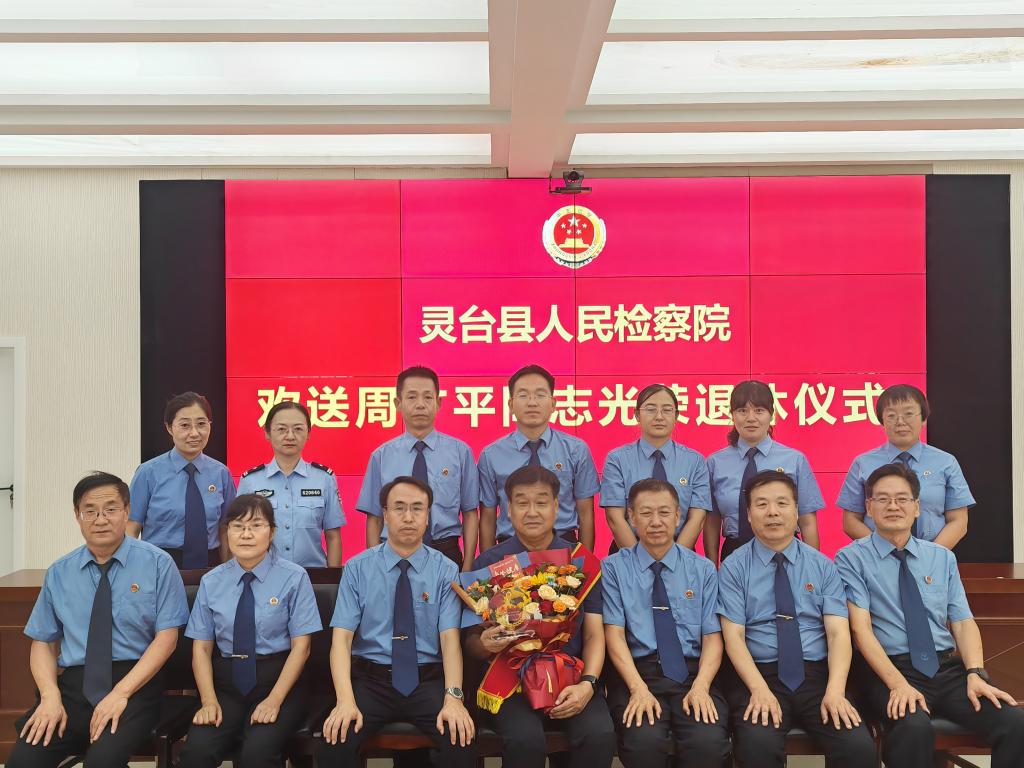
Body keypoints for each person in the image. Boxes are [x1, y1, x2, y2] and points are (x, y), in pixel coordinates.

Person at [836, 462, 1024, 768]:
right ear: (869, 507)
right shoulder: (851, 558)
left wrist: (976, 673)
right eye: (883, 499)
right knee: (913, 727)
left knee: (1015, 723)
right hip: (889, 670)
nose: (893, 506)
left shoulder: (941, 557)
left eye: (902, 498)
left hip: (945, 669)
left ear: (917, 507)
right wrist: (897, 684)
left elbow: (962, 622)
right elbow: (861, 630)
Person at [8, 472, 188, 768]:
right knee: (23, 761)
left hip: (135, 685)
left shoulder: (157, 563)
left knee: (102, 762)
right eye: (90, 511)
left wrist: (121, 693)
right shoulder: (60, 572)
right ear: (77, 516)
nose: (100, 519)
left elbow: (167, 638)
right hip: (74, 687)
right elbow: (43, 641)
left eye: (110, 509)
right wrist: (50, 696)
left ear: (127, 511)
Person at [717, 470, 875, 767]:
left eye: (782, 503)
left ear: (796, 510)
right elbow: (733, 637)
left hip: (817, 676)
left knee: (858, 748)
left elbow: (838, 634)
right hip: (758, 675)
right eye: (762, 504)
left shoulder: (822, 565)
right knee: (757, 748)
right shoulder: (733, 568)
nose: (772, 512)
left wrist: (836, 690)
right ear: (748, 514)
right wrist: (758, 690)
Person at [317, 476, 477, 768]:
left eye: (417, 508)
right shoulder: (357, 568)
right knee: (334, 742)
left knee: (460, 741)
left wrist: (454, 697)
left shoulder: (445, 569)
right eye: (399, 508)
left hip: (427, 680)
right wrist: (345, 700)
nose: (408, 517)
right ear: (385, 514)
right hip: (371, 681)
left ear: (428, 516)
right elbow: (341, 640)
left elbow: (449, 641)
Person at [465, 465, 615, 768]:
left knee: (598, 734)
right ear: (509, 509)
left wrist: (587, 684)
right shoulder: (488, 563)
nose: (532, 511)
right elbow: (470, 642)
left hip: (571, 677)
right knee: (525, 741)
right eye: (522, 503)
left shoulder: (582, 561)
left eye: (541, 502)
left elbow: (594, 634)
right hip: (511, 682)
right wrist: (484, 644)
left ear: (557, 506)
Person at [178, 494, 322, 768]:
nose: (246, 534)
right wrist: (208, 701)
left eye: (256, 526)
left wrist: (274, 700)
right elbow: (202, 649)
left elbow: (302, 648)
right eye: (238, 526)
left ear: (272, 532)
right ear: (227, 532)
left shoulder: (294, 577)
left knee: (257, 756)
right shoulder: (211, 581)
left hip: (279, 681)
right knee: (196, 753)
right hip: (226, 686)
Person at [602, 478, 730, 768]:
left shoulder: (703, 569)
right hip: (638, 673)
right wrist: (637, 688)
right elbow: (614, 635)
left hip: (693, 673)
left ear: (678, 515)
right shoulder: (613, 568)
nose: (656, 522)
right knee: (643, 745)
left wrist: (702, 686)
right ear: (631, 517)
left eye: (664, 512)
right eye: (646, 513)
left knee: (708, 745)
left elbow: (712, 636)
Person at [358, 366, 479, 570]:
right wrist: (375, 567)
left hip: (445, 551)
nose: (420, 404)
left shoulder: (460, 452)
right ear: (398, 404)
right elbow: (374, 518)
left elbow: (470, 513)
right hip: (394, 553)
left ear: (438, 403)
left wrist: (467, 565)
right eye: (412, 397)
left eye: (428, 397)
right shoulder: (381, 456)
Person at [478, 365, 600, 552]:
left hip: (562, 547)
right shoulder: (491, 455)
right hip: (510, 550)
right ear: (510, 405)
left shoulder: (576, 450)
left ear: (553, 404)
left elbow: (586, 514)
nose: (532, 402)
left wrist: (583, 561)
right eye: (523, 395)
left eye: (540, 395)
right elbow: (487, 518)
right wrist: (488, 563)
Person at [838, 383, 975, 548]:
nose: (900, 422)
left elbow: (958, 520)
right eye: (891, 415)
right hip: (877, 557)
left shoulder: (946, 462)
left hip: (932, 555)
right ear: (882, 421)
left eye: (908, 414)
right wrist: (885, 552)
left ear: (924, 419)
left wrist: (930, 556)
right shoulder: (863, 463)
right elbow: (850, 521)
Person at [704, 380, 824, 564]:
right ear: (732, 415)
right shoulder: (715, 463)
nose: (751, 418)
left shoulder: (794, 460)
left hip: (785, 551)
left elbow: (807, 521)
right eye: (742, 411)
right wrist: (712, 568)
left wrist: (812, 567)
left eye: (759, 411)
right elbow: (712, 521)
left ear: (771, 414)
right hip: (735, 552)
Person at [128, 391, 236, 568]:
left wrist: (229, 572)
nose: (194, 433)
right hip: (159, 566)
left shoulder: (221, 473)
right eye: (185, 425)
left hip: (210, 569)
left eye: (201, 424)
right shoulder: (148, 473)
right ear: (169, 428)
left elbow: (226, 529)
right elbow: (131, 527)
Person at [601, 384, 711, 554]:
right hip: (628, 553)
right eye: (651, 409)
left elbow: (697, 519)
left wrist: (674, 560)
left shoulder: (694, 461)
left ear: (676, 416)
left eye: (667, 410)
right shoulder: (617, 459)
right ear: (637, 415)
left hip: (681, 552)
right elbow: (615, 518)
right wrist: (638, 561)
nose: (659, 416)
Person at [237, 401, 345, 567]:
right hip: (264, 575)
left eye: (298, 429)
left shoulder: (324, 479)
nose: (290, 436)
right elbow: (240, 535)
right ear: (267, 432)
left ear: (308, 433)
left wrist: (333, 578)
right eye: (281, 429)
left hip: (312, 576)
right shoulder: (250, 481)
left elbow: (333, 536)